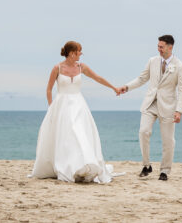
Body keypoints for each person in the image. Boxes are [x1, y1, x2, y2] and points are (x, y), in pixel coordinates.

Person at [29, 41, 122, 183]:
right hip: (62, 106)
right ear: (72, 52)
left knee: (79, 133)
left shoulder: (81, 67)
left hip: (79, 105)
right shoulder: (57, 68)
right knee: (66, 136)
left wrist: (113, 88)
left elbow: (98, 78)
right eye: (79, 51)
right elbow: (49, 89)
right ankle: (69, 166)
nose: (81, 53)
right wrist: (51, 107)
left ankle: (83, 164)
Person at [117, 34, 182, 181]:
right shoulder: (152, 61)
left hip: (168, 106)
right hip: (150, 103)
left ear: (170, 47)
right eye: (158, 46)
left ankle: (165, 171)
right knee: (143, 132)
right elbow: (142, 78)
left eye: (161, 47)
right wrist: (127, 87)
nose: (159, 49)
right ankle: (146, 165)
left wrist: (179, 110)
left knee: (168, 140)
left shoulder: (180, 66)